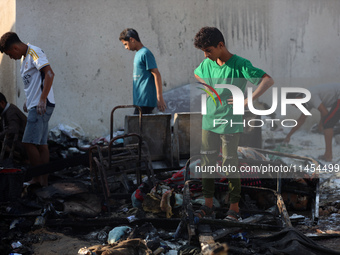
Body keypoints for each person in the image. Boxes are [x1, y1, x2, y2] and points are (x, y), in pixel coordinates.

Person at [193, 27, 274, 221]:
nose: (206, 55)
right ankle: (208, 206)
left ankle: (234, 209)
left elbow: (267, 80)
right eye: (203, 51)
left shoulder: (240, 64)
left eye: (208, 50)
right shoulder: (207, 63)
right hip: (209, 121)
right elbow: (197, 73)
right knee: (207, 164)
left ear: (220, 45)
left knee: (230, 163)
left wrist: (247, 101)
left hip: (229, 123)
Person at [0, 32, 55, 187]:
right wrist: (28, 100)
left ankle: (37, 178)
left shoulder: (34, 52)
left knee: (28, 143)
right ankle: (43, 181)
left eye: (10, 54)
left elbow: (49, 73)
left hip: (40, 105)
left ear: (16, 47)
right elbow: (34, 82)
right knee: (42, 145)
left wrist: (42, 99)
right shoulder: (25, 58)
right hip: (35, 104)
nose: (11, 58)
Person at [283, 83, 340, 162]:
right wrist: (288, 135)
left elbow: (325, 113)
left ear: (298, 98)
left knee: (328, 123)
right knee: (327, 122)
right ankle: (328, 154)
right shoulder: (307, 101)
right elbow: (301, 120)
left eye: (294, 104)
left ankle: (328, 155)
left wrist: (321, 124)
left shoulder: (310, 95)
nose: (295, 106)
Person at [119, 28, 166, 114]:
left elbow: (156, 74)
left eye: (125, 44)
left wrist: (160, 98)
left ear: (132, 40)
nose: (125, 47)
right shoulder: (138, 54)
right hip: (139, 101)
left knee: (137, 126)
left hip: (146, 101)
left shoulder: (145, 53)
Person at [0, 92, 27, 161]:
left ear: (2, 103)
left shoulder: (11, 112)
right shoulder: (6, 112)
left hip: (22, 145)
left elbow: (13, 129)